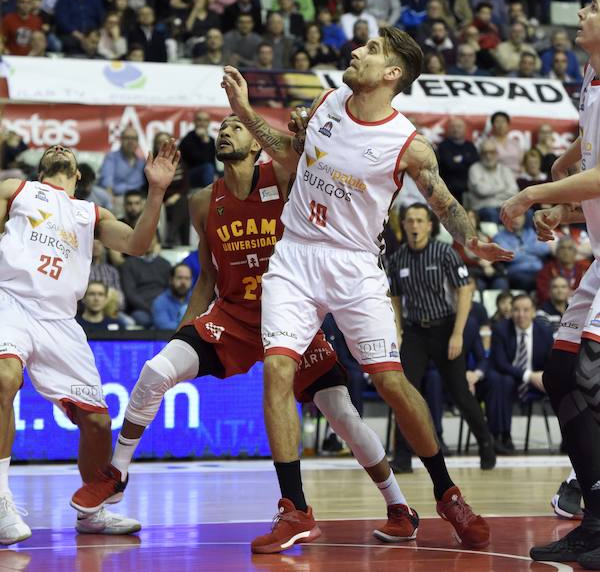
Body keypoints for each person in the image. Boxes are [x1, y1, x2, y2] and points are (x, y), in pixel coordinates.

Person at [214, 29, 511, 553]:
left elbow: (442, 203)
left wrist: (471, 241)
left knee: (391, 383)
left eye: (371, 51)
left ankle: (447, 493)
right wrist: (246, 108)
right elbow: (289, 153)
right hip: (297, 254)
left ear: (392, 74)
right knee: (279, 368)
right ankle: (295, 509)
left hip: (355, 266)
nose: (356, 52)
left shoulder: (408, 144)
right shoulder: (327, 101)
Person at [71, 113, 422, 546]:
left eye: (236, 127)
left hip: (294, 318)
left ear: (257, 144)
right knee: (155, 372)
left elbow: (308, 159)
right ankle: (117, 472)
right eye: (222, 127)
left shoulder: (282, 176)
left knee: (344, 417)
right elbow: (205, 278)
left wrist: (301, 127)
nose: (225, 131)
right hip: (234, 317)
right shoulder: (203, 200)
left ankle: (400, 506)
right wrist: (185, 331)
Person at [0, 139, 179, 544]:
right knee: (3, 378)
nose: (59, 145)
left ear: (79, 176)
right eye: (50, 147)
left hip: (61, 319)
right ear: (40, 167)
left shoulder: (89, 212)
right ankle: (0, 500)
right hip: (10, 300)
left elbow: (137, 244)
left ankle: (92, 513)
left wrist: (155, 192)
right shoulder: (17, 190)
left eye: (67, 149)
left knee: (97, 421)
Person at [499, 0, 600, 564]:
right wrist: (566, 172)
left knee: (590, 376)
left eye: (593, 6)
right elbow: (592, 147)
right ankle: (594, 513)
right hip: (598, 255)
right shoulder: (590, 71)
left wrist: (537, 191)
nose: (582, 12)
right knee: (561, 373)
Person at [387, 204, 496, 473]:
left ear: (429, 225)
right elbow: (396, 298)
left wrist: (458, 334)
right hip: (414, 331)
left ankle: (486, 443)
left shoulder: (444, 252)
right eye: (409, 221)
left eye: (419, 221)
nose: (414, 226)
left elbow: (465, 290)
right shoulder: (397, 258)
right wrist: (398, 330)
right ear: (404, 225)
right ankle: (402, 456)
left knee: (460, 392)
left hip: (445, 328)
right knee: (404, 394)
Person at [486, 293, 554, 456]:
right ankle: (501, 436)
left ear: (533, 312)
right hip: (509, 377)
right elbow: (501, 363)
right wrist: (528, 375)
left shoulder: (544, 332)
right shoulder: (500, 329)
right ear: (511, 312)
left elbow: (551, 362)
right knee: (501, 380)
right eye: (516, 310)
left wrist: (544, 376)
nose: (521, 314)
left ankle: (570, 440)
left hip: (536, 381)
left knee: (564, 386)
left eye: (525, 310)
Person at [493, 213, 551, 291]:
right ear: (506, 219)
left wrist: (521, 249)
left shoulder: (531, 232)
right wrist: (533, 249)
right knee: (532, 281)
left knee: (554, 280)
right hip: (518, 272)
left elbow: (545, 249)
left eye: (520, 216)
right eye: (513, 216)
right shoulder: (499, 237)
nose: (516, 219)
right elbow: (509, 255)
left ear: (524, 218)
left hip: (539, 270)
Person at [467, 139, 518, 223]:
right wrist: (503, 187)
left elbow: (514, 191)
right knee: (491, 213)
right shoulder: (474, 169)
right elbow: (481, 191)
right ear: (480, 155)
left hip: (505, 207)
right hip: (483, 208)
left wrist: (492, 193)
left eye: (491, 152)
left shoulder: (505, 169)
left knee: (528, 213)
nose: (488, 156)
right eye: (485, 153)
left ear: (497, 154)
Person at [97, 128, 146, 212]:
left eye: (134, 139)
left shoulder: (142, 163)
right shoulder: (111, 157)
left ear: (138, 142)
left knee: (158, 207)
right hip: (117, 198)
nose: (131, 141)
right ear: (121, 140)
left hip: (137, 199)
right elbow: (107, 183)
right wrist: (110, 199)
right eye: (127, 138)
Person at [436, 117, 479, 203]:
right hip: (448, 190)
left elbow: (476, 166)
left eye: (459, 127)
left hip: (470, 189)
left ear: (464, 129)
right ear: (448, 129)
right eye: (453, 127)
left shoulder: (470, 146)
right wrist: (466, 160)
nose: (456, 129)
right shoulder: (443, 146)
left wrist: (458, 161)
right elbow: (449, 166)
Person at [537, 237, 587, 303]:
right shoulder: (547, 269)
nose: (566, 251)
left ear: (575, 252)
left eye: (570, 248)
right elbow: (542, 292)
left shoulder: (583, 269)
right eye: (562, 248)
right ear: (557, 251)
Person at [178, 110, 217, 189]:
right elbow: (200, 160)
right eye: (199, 120)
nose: (202, 123)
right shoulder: (187, 139)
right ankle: (209, 194)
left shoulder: (211, 140)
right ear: (194, 122)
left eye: (205, 120)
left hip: (207, 173)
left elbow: (212, 160)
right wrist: (204, 141)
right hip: (189, 175)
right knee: (208, 168)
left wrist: (216, 173)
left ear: (209, 123)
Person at [151, 264, 193, 330]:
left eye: (187, 278)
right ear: (171, 280)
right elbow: (163, 327)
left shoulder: (196, 300)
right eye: (179, 278)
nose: (183, 282)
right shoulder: (160, 302)